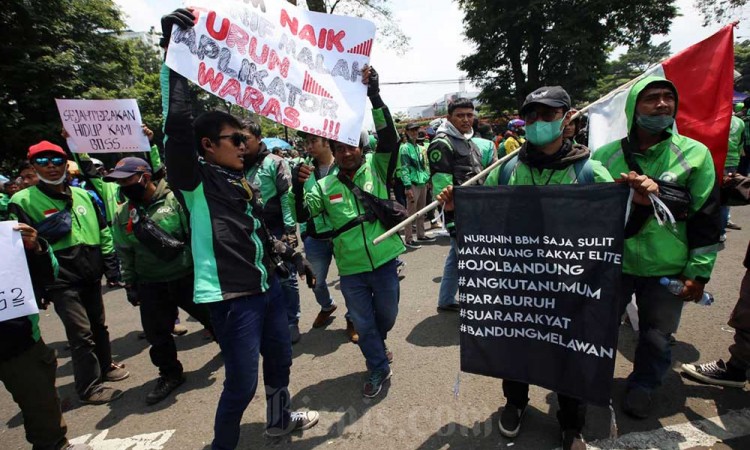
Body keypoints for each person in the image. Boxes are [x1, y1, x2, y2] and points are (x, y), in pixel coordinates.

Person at [436, 86, 658, 450]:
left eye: (549, 114)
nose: (539, 122)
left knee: (571, 356)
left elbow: (617, 232)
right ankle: (516, 403)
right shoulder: (506, 171)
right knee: (514, 350)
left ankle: (572, 424)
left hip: (573, 289)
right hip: (518, 286)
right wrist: (454, 212)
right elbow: (482, 230)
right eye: (532, 115)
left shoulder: (590, 171)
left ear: (566, 118)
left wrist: (640, 202)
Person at [160, 9, 318, 448]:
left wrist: (291, 258)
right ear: (208, 145)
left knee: (281, 362)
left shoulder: (238, 179)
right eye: (234, 139)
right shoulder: (193, 181)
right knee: (241, 384)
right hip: (232, 300)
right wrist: (173, 54)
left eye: (244, 139)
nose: (244, 144)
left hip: (266, 290)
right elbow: (176, 125)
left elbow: (254, 233)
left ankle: (279, 419)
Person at [592, 76, 721, 419]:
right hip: (613, 264)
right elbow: (592, 213)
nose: (662, 105)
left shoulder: (695, 154)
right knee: (596, 326)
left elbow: (706, 219)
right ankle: (592, 378)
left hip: (667, 266)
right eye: (651, 99)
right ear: (634, 108)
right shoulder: (604, 157)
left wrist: (698, 273)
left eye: (668, 98)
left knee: (657, 337)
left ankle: (645, 385)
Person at [293, 65, 404, 398]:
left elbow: (390, 138)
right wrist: (299, 190)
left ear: (360, 146)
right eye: (339, 148)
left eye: (351, 146)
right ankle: (377, 368)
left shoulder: (379, 165)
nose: (346, 152)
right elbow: (305, 215)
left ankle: (378, 345)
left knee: (386, 317)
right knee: (363, 322)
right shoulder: (323, 184)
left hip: (385, 261)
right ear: (333, 151)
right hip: (351, 269)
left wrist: (374, 95)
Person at [9, 141, 129, 405]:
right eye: (42, 162)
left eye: (56, 160)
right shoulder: (22, 200)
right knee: (80, 332)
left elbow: (102, 229)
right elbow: (19, 250)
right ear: (32, 166)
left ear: (66, 164)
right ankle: (88, 387)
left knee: (98, 325)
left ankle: (106, 365)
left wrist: (109, 263)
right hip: (59, 276)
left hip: (90, 271)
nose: (51, 166)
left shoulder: (82, 194)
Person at [106, 156, 215, 405]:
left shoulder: (175, 200)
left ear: (145, 178)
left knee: (213, 318)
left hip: (186, 276)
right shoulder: (124, 214)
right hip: (151, 283)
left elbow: (196, 236)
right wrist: (130, 284)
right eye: (118, 182)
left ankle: (234, 353)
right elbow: (124, 251)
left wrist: (205, 271)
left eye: (127, 180)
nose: (122, 186)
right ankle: (170, 374)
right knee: (157, 335)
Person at [1, 223, 93, 450]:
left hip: (18, 341)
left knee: (41, 405)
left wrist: (37, 249)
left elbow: (48, 277)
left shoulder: (8, 236)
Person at [290, 132, 359, 343]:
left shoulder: (344, 165)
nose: (309, 146)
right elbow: (296, 205)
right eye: (306, 142)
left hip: (344, 235)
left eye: (313, 141)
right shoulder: (303, 169)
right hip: (315, 236)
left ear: (327, 142)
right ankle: (327, 306)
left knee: (351, 282)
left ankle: (352, 318)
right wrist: (297, 185)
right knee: (316, 282)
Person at [241, 120, 303, 344]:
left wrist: (289, 230)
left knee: (286, 276)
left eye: (245, 139)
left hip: (276, 227)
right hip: (248, 230)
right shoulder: (235, 164)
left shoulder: (275, 163)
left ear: (258, 139)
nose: (241, 144)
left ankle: (292, 320)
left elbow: (287, 196)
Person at [427, 98, 485, 312]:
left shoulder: (465, 139)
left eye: (470, 115)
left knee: (455, 256)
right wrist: (452, 215)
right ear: (449, 117)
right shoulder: (442, 143)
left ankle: (446, 299)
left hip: (474, 209)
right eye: (460, 115)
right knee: (470, 260)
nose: (466, 119)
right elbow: (444, 191)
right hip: (460, 213)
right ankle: (477, 305)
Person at [400, 123, 435, 248]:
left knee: (421, 211)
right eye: (412, 130)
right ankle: (409, 239)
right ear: (407, 132)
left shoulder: (419, 148)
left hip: (422, 183)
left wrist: (428, 179)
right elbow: (404, 168)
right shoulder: (405, 148)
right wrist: (407, 186)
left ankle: (421, 234)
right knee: (411, 212)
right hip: (413, 184)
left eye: (416, 130)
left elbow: (425, 165)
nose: (415, 132)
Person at [721, 110, 745, 238]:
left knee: (717, 195)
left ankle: (719, 228)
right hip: (733, 160)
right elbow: (741, 142)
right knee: (727, 195)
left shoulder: (717, 120)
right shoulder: (740, 122)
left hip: (718, 160)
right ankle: (724, 226)